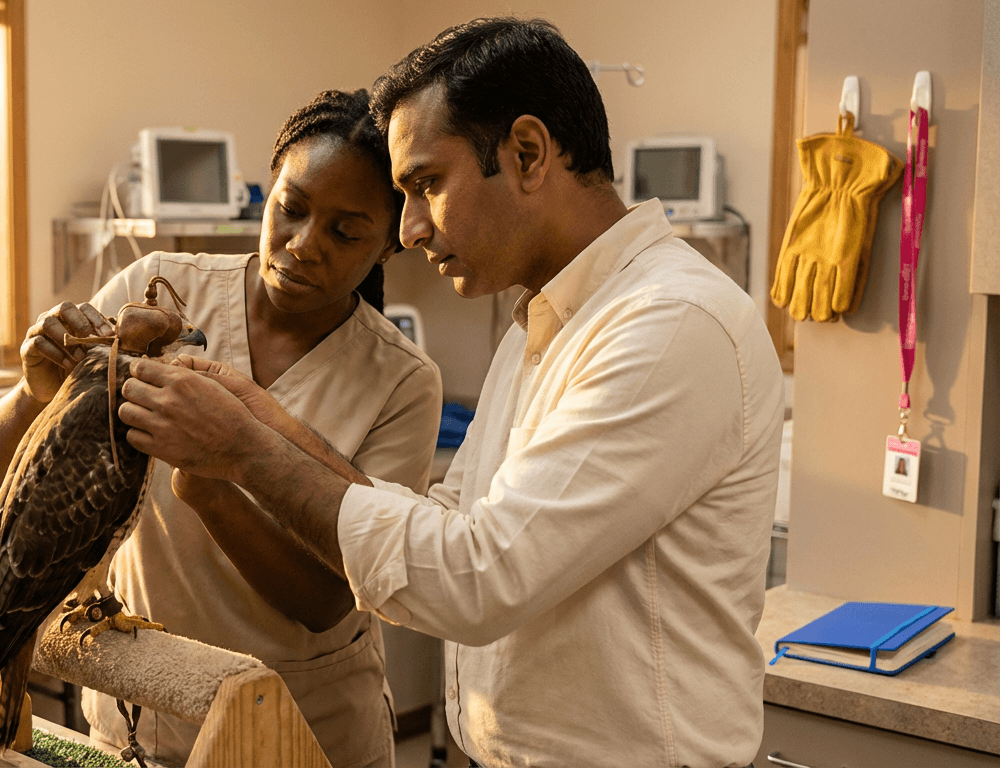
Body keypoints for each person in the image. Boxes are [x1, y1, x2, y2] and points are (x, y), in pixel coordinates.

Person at [116, 17, 783, 768]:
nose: (408, 231)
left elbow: (476, 578)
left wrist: (244, 451)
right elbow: (445, 520)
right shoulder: (546, 324)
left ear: (527, 153)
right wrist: (264, 422)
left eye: (426, 185)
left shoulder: (669, 323)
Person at [0, 89, 442, 768]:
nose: (302, 245)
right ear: (267, 194)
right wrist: (31, 395)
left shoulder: (402, 380)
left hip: (303, 731)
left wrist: (217, 479)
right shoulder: (157, 287)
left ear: (389, 245)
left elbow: (325, 601)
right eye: (291, 208)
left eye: (345, 232)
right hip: (143, 718)